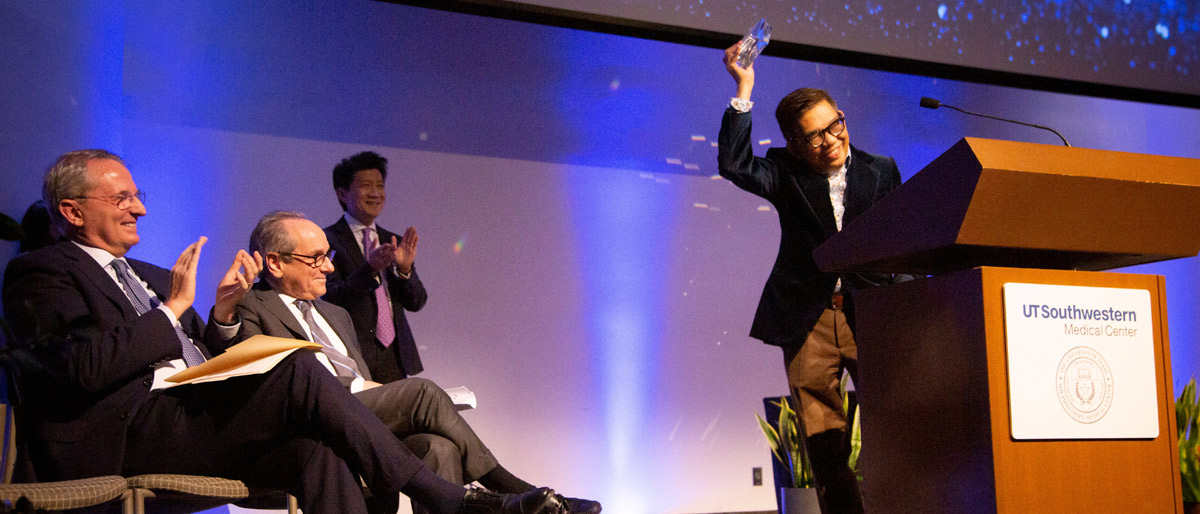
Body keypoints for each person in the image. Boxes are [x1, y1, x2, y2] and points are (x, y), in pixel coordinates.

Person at [0, 149, 565, 514]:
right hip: (125, 432)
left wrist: (219, 314)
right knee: (297, 367)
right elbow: (80, 370)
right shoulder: (40, 272)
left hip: (192, 418)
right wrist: (171, 311)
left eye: (138, 195)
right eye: (123, 198)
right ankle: (447, 498)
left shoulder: (147, 276)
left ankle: (450, 494)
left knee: (315, 451)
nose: (140, 210)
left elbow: (207, 350)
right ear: (73, 212)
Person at [213, 210, 601, 514]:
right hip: (310, 422)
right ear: (275, 263)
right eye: (316, 259)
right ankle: (512, 491)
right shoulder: (251, 306)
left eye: (328, 256)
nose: (329, 267)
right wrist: (226, 315)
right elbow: (248, 370)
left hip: (358, 418)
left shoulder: (336, 314)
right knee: (422, 393)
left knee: (437, 448)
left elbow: (359, 380)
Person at [718, 45, 908, 514]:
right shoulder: (786, 173)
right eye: (815, 137)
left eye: (834, 125)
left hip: (874, 315)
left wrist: (910, 301)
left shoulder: (881, 170)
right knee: (825, 446)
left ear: (842, 117)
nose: (830, 140)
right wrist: (743, 89)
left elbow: (903, 239)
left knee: (895, 427)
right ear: (795, 144)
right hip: (811, 319)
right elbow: (735, 165)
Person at [323, 151, 426, 383]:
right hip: (352, 352)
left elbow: (417, 302)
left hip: (395, 355)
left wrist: (405, 270)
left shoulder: (393, 240)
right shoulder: (327, 240)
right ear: (342, 193)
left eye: (380, 185)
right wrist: (369, 270)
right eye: (366, 185)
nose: (375, 193)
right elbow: (328, 298)